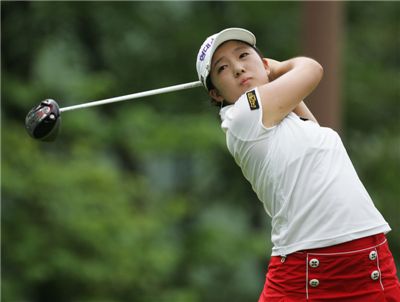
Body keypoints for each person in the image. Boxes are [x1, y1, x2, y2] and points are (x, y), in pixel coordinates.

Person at [196, 28, 400, 302]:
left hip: (370, 263)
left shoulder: (283, 119)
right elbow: (312, 69)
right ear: (216, 94)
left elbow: (309, 127)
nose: (238, 68)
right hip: (310, 272)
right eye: (222, 68)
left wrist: (271, 73)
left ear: (263, 62)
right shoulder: (244, 114)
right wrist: (281, 68)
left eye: (244, 56)